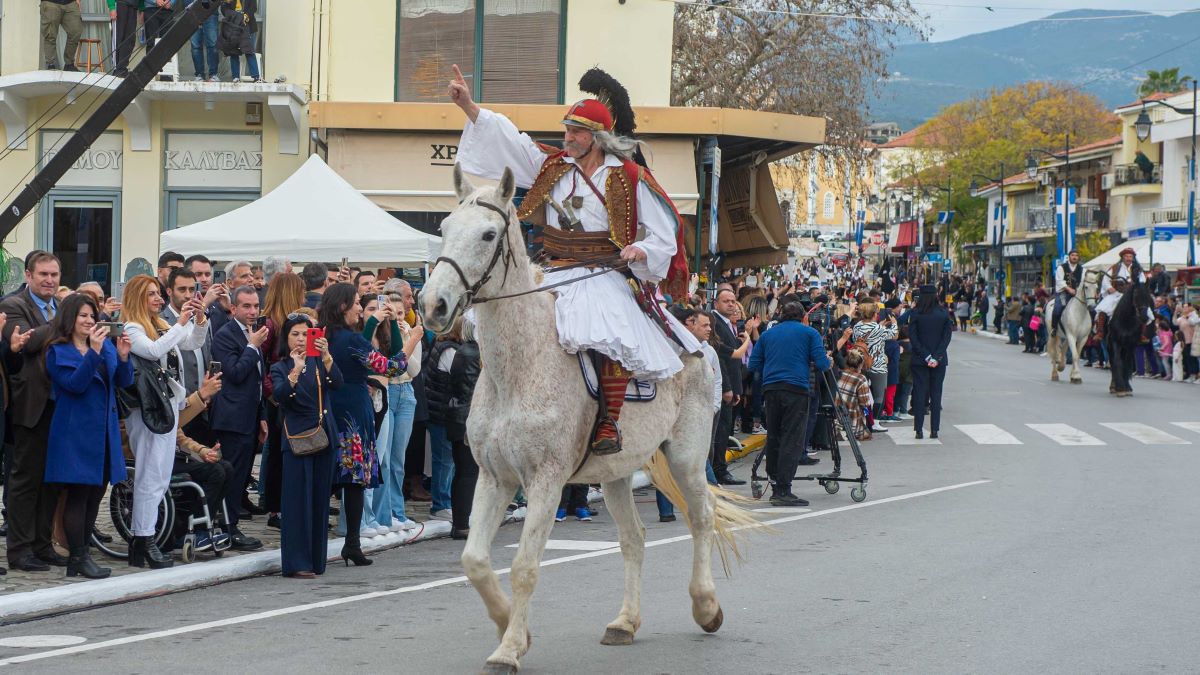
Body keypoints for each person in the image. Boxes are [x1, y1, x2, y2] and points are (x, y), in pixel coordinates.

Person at [451, 64, 700, 456]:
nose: (567, 138)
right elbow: (514, 143)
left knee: (608, 333)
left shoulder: (629, 176)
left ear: (597, 138)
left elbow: (664, 231)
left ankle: (608, 422)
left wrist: (643, 250)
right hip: (552, 269)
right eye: (566, 130)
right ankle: (497, 410)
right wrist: (470, 109)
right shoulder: (553, 168)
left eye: (576, 133)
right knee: (508, 324)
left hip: (603, 272)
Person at [43, 294, 134, 579]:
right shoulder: (58, 352)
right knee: (78, 496)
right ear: (69, 318)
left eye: (92, 316)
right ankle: (77, 557)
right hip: (75, 434)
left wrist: (122, 357)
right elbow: (75, 385)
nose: (89, 321)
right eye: (83, 315)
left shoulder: (104, 346)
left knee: (96, 495)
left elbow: (123, 381)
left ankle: (82, 556)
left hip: (103, 432)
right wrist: (93, 353)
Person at [122, 274, 208, 567]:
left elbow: (193, 341)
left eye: (159, 294)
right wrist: (180, 324)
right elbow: (153, 351)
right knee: (150, 475)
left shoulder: (160, 325)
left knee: (159, 475)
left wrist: (199, 318)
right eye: (152, 295)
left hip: (168, 406)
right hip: (148, 410)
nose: (159, 299)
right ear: (137, 299)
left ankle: (141, 541)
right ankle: (143, 540)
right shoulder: (132, 328)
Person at [320, 283, 408, 566]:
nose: (360, 308)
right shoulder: (352, 340)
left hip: (326, 407)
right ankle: (352, 544)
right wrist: (411, 341)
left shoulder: (323, 335)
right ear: (343, 306)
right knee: (354, 480)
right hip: (353, 410)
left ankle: (323, 540)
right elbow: (392, 367)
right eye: (357, 303)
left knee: (325, 477)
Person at [1, 251, 62, 572]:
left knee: (51, 481)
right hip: (30, 408)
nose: (50, 280)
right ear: (28, 275)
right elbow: (28, 343)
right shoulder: (14, 306)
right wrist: (63, 325)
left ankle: (42, 545)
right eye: (43, 275)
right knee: (25, 482)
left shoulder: (61, 308)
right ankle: (20, 550)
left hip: (60, 407)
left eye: (54, 274)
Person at [270, 314, 342, 578]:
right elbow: (280, 396)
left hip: (324, 437)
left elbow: (338, 383)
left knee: (319, 500)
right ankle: (297, 562)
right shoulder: (281, 366)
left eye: (305, 334)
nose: (300, 339)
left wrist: (326, 358)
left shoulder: (319, 362)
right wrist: (295, 370)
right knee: (297, 501)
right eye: (295, 335)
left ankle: (315, 559)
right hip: (298, 440)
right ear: (286, 339)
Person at [747, 301, 831, 506]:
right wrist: (827, 360)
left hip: (771, 389)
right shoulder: (809, 333)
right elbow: (821, 364)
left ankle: (776, 484)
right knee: (792, 438)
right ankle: (784, 489)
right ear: (803, 317)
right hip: (796, 389)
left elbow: (753, 364)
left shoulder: (767, 335)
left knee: (774, 436)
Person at [209, 285, 268, 550]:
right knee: (232, 475)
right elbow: (234, 373)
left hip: (250, 415)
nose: (253, 311)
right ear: (233, 308)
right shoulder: (226, 335)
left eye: (256, 306)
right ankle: (227, 527)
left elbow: (257, 379)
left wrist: (262, 415)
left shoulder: (253, 334)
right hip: (231, 418)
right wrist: (252, 347)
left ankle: (231, 525)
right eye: (246, 306)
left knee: (242, 475)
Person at [369, 280, 424, 533]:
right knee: (384, 459)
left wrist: (408, 337)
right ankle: (383, 514)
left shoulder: (411, 332)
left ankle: (397, 512)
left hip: (406, 392)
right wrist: (404, 341)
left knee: (398, 458)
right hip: (388, 390)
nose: (399, 318)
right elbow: (391, 365)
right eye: (394, 314)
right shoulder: (382, 335)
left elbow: (413, 369)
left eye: (402, 314)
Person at [424, 317, 482, 540]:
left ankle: (461, 522)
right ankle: (462, 523)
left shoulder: (463, 351)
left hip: (458, 415)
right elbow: (473, 388)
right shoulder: (470, 353)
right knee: (467, 471)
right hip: (466, 416)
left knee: (463, 470)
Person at [709, 289, 754, 485]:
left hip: (731, 385)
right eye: (726, 301)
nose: (731, 304)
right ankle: (718, 470)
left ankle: (718, 468)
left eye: (733, 301)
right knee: (720, 430)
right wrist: (728, 388)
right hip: (721, 386)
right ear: (716, 303)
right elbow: (723, 358)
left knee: (725, 429)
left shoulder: (727, 324)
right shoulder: (714, 323)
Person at [907, 285, 953, 439]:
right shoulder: (943, 313)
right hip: (939, 361)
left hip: (919, 360)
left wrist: (926, 356)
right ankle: (934, 430)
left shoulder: (915, 313)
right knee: (936, 393)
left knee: (919, 393)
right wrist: (936, 356)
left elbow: (913, 338)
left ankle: (919, 430)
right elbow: (946, 338)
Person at [851, 302, 897, 432]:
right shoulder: (878, 329)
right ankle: (875, 422)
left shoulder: (858, 326)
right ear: (874, 314)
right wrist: (894, 323)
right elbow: (893, 335)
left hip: (861, 364)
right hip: (878, 365)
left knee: (864, 397)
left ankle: (866, 419)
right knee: (878, 396)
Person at [1095, 248, 1146, 340]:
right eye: (1126, 256)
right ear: (1122, 257)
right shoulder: (1115, 268)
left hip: (1132, 295)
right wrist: (1110, 288)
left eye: (1131, 256)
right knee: (1103, 309)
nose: (1129, 258)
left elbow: (1142, 281)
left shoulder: (1138, 269)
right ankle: (1100, 332)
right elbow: (1106, 279)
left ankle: (1141, 334)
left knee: (1146, 311)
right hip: (1117, 293)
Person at [219, 0, 263, 83]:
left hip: (248, 25)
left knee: (249, 51)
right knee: (233, 52)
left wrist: (246, 16)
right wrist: (234, 15)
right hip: (233, 26)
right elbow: (224, 9)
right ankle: (236, 77)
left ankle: (256, 77)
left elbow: (253, 7)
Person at [836, 349, 873, 441]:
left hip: (836, 413)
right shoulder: (861, 378)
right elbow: (865, 403)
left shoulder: (838, 373)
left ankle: (840, 430)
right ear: (860, 365)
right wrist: (868, 418)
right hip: (851, 416)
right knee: (866, 432)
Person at [42, 0, 83, 71]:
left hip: (71, 3)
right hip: (50, 2)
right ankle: (50, 64)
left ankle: (69, 64)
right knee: (50, 34)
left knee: (76, 31)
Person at [1052, 250, 1084, 335]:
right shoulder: (1061, 267)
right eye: (1072, 255)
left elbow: (1083, 281)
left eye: (1076, 255)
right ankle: (1054, 328)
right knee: (1057, 309)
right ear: (1069, 257)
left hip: (1077, 293)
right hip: (1064, 293)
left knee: (1090, 307)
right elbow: (1059, 281)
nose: (1074, 257)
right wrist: (1069, 289)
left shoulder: (1082, 269)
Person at [190, 2, 221, 81]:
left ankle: (213, 74)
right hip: (193, 12)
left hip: (211, 11)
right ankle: (199, 74)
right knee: (195, 45)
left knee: (213, 44)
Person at [109, 0, 139, 78]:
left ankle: (122, 68)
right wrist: (112, 7)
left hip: (133, 7)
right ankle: (116, 69)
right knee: (118, 36)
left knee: (130, 39)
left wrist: (142, 8)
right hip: (120, 4)